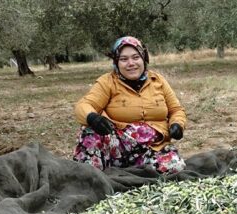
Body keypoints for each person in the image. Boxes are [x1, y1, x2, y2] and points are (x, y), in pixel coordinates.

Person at [73, 36, 186, 173]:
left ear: (144, 58)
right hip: (117, 148)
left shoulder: (158, 81)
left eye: (135, 57)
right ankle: (92, 176)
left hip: (153, 147)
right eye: (124, 59)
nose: (131, 63)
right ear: (116, 62)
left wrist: (177, 124)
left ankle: (130, 171)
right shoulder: (107, 82)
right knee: (89, 131)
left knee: (175, 167)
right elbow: (84, 105)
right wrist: (92, 117)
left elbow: (176, 110)